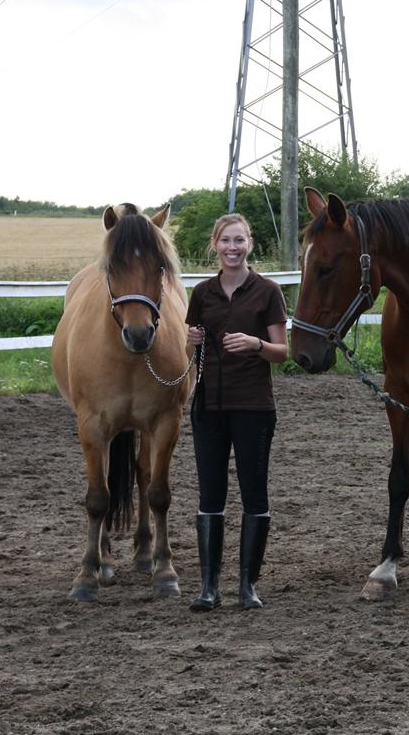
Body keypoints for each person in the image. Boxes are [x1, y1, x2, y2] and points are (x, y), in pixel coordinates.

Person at [185, 213, 288, 611]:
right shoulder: (202, 293)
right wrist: (190, 339)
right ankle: (209, 587)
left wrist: (255, 344)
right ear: (215, 244)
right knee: (210, 493)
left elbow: (283, 352)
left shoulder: (267, 291)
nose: (232, 247)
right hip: (208, 406)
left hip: (254, 407)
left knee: (253, 491)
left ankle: (248, 585)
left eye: (239, 240)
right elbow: (188, 349)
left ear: (250, 243)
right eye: (226, 241)